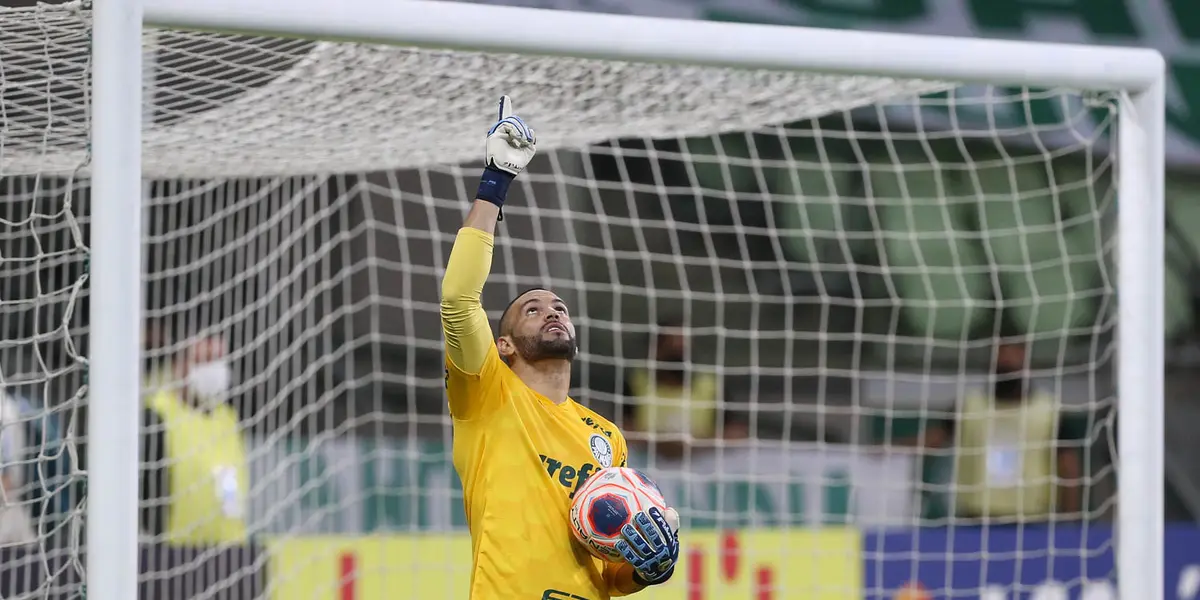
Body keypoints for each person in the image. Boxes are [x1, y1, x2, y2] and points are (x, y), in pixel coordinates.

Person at [441, 96, 680, 599]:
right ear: (502, 344)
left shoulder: (606, 436)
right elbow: (459, 298)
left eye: (560, 307)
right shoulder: (485, 394)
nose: (553, 311)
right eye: (533, 308)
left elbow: (611, 573)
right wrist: (495, 183)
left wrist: (649, 568)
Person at [141, 332, 249, 545]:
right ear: (179, 367)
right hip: (174, 555)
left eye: (218, 360)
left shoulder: (228, 418)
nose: (214, 370)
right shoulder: (156, 415)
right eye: (204, 361)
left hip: (232, 553)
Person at [622, 318, 747, 460]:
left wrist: (693, 444)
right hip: (647, 462)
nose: (679, 353)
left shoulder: (710, 385)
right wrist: (662, 444)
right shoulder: (635, 383)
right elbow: (620, 430)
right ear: (656, 349)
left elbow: (736, 433)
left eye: (683, 348)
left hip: (701, 464)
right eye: (672, 347)